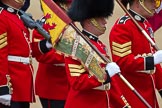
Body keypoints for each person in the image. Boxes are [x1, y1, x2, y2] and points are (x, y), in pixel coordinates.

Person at [61, 0, 130, 108]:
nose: (105, 22)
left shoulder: (100, 46)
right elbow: (77, 82)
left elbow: (110, 84)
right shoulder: (75, 46)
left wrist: (123, 105)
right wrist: (105, 75)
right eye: (101, 17)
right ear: (89, 20)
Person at [109, 0, 162, 107]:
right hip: (133, 95)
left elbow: (155, 64)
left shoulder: (145, 24)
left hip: (149, 94)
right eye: (152, 2)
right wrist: (152, 60)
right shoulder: (122, 26)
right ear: (138, 3)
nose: (155, 6)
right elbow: (122, 62)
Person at [0, 0, 52, 108]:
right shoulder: (2, 17)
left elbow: (24, 51)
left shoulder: (16, 16)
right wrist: (3, 86)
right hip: (11, 84)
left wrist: (46, 44)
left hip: (22, 84)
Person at [33, 0, 72, 108]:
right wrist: (70, 58)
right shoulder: (46, 22)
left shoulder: (68, 20)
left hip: (69, 85)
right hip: (53, 87)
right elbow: (41, 54)